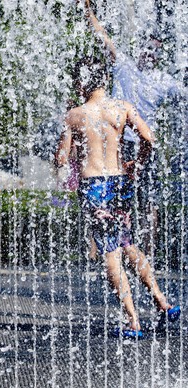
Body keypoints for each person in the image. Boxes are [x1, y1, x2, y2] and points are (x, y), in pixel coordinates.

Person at [55, 57, 180, 338]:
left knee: (111, 252)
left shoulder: (75, 115)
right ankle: (163, 302)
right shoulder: (122, 108)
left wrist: (71, 148)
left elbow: (62, 159)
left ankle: (133, 320)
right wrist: (135, 163)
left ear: (82, 82)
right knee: (128, 243)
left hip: (93, 187)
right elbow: (149, 138)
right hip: (119, 181)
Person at [82, 0, 186, 256]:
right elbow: (103, 39)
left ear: (159, 56)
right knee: (105, 196)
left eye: (155, 51)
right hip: (118, 143)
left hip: (143, 143)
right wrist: (88, 12)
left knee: (149, 200)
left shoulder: (164, 81)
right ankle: (101, 251)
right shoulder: (125, 67)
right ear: (141, 50)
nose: (149, 53)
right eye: (147, 48)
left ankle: (146, 253)